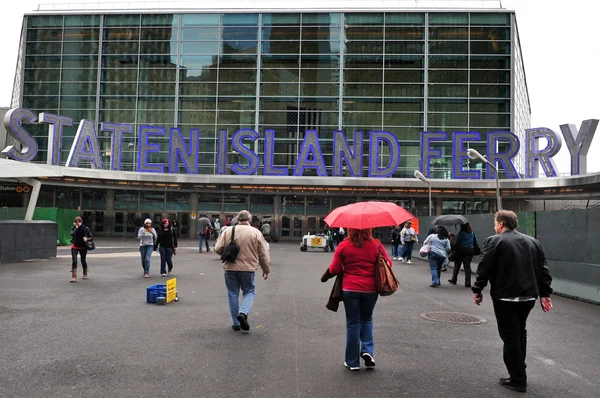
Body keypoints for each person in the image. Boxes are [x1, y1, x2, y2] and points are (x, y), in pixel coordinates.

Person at [472, 210, 553, 393]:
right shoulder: (533, 242)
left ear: (501, 224)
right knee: (519, 332)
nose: (494, 226)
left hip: (505, 296)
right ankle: (519, 370)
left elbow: (485, 267)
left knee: (509, 336)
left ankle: (517, 379)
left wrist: (478, 289)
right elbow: (543, 270)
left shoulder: (494, 241)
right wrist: (545, 294)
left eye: (495, 223)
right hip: (529, 296)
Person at [320, 228, 392, 371]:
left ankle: (352, 362)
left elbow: (334, 269)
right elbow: (388, 263)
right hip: (371, 289)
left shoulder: (344, 245)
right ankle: (367, 351)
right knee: (367, 319)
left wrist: (325, 276)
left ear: (350, 229)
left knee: (353, 323)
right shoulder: (376, 244)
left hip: (349, 289)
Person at [215, 210, 270, 332]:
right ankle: (243, 312)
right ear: (249, 220)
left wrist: (228, 253)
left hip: (230, 267)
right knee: (249, 291)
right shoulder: (255, 232)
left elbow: (218, 248)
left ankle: (235, 323)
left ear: (237, 219)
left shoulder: (228, 231)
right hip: (248, 268)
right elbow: (263, 253)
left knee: (232, 294)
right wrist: (266, 269)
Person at [448, 223, 479, 287]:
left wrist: (453, 237)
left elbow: (457, 241)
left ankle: (454, 279)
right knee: (467, 266)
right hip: (470, 251)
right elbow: (476, 242)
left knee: (457, 265)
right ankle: (468, 282)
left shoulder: (461, 233)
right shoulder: (472, 233)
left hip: (461, 251)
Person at [70, 216, 91, 282]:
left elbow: (91, 237)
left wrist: (87, 239)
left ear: (81, 222)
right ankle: (74, 276)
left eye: (79, 222)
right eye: (76, 222)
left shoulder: (86, 229)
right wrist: (76, 228)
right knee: (74, 261)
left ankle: (85, 273)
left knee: (83, 260)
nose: (78, 223)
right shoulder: (74, 228)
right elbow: (72, 234)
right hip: (75, 246)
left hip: (83, 246)